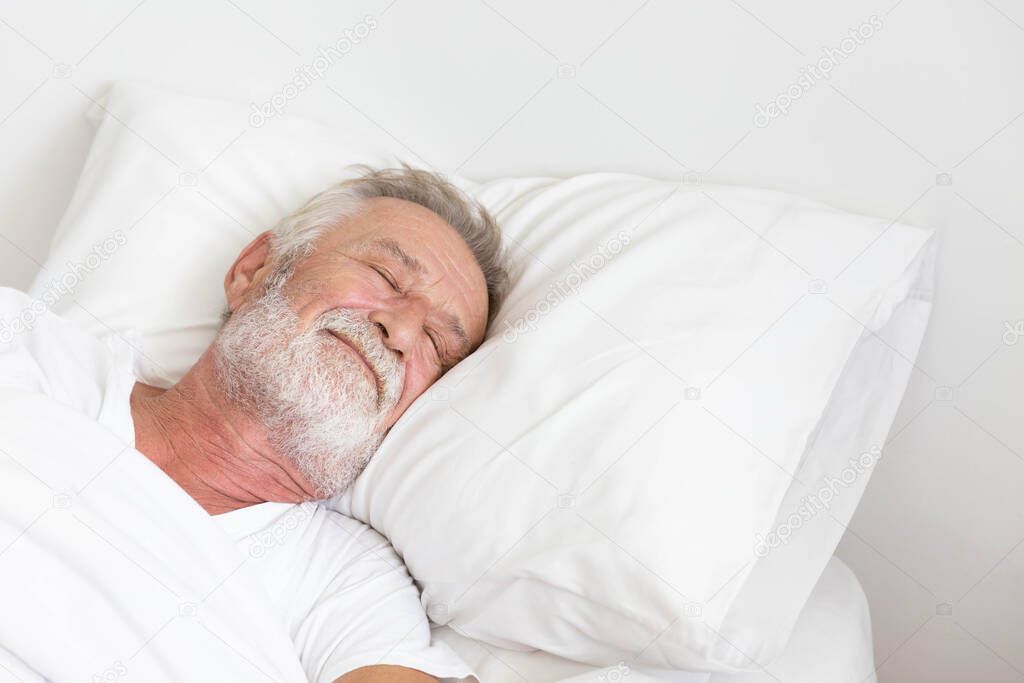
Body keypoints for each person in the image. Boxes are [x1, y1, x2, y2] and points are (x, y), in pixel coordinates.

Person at [0, 163, 511, 682]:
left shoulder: (345, 582)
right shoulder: (24, 347)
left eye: (436, 344)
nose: (400, 329)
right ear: (256, 269)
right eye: (386, 276)